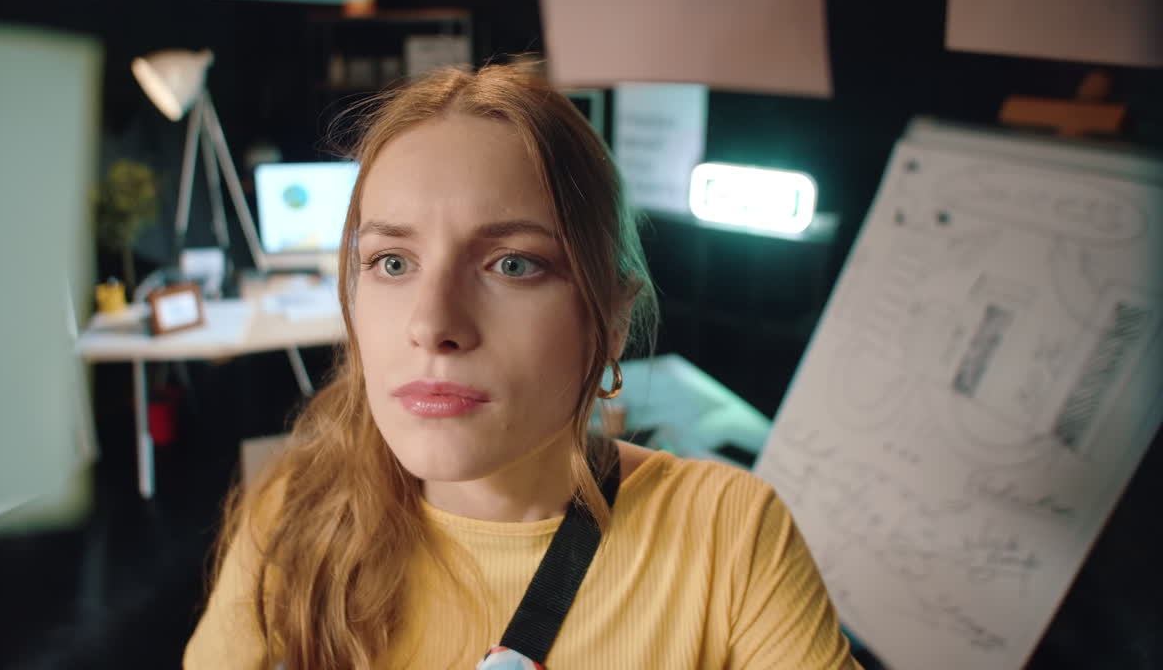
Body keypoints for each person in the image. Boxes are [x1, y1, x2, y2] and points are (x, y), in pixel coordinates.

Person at [183, 63, 860, 669]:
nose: (433, 325)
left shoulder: (728, 538)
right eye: (393, 262)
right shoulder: (293, 510)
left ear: (613, 315)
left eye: (512, 265)